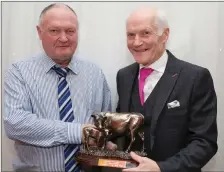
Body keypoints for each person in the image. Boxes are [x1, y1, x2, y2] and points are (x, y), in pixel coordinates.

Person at [4, 3, 111, 172]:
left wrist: (107, 142)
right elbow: (15, 123)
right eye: (54, 31)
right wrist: (79, 132)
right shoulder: (19, 72)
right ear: (40, 32)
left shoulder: (95, 73)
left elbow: (106, 124)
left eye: (70, 31)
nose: (64, 38)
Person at [115, 7, 218, 172]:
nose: (136, 42)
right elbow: (124, 128)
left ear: (165, 35)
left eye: (145, 33)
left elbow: (204, 143)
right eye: (131, 35)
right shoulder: (124, 76)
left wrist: (161, 168)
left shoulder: (195, 77)